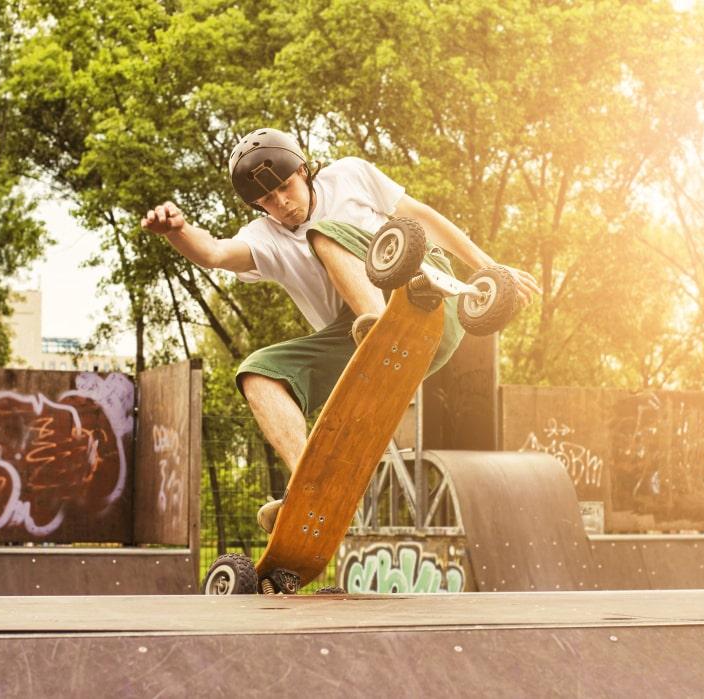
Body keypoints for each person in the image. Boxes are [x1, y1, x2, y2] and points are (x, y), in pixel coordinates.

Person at [141, 128, 540, 532]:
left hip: (427, 293)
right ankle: (310, 484)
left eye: (285, 187)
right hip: (354, 336)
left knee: (322, 232)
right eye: (267, 200)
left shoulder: (349, 176)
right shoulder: (265, 238)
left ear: (303, 169)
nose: (281, 204)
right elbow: (213, 252)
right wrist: (177, 231)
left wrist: (491, 268)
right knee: (258, 373)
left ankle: (380, 327)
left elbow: (421, 218)